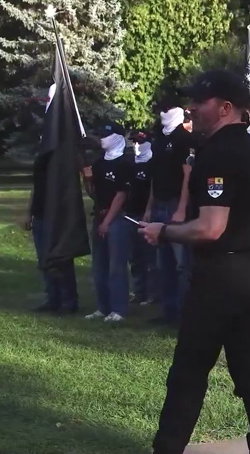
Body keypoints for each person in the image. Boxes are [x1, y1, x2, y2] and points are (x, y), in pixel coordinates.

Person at [138, 70, 250, 454]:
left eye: (198, 102)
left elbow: (210, 227)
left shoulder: (218, 153)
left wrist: (164, 231)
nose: (191, 109)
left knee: (187, 372)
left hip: (222, 277)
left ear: (225, 107)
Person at [25, 83, 79, 315]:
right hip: (40, 212)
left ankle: (68, 300)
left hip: (57, 210)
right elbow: (37, 185)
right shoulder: (43, 150)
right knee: (44, 259)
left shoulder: (64, 144)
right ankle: (52, 297)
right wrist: (29, 211)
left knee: (60, 256)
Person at [145, 99, 194, 325]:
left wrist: (182, 208)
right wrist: (149, 207)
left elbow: (188, 175)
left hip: (176, 204)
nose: (163, 112)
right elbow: (155, 176)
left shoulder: (185, 139)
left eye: (167, 108)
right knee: (163, 261)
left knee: (181, 263)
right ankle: (168, 311)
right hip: (160, 203)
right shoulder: (159, 139)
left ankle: (185, 313)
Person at [83, 122, 133, 323]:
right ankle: (102, 307)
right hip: (100, 215)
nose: (102, 138)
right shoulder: (99, 163)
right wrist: (87, 180)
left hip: (118, 218)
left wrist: (108, 221)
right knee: (99, 265)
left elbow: (121, 195)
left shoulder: (124, 163)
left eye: (106, 135)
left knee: (116, 265)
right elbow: (94, 194)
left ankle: (118, 309)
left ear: (118, 137)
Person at [127, 130, 159, 306]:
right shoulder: (131, 163)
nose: (137, 146)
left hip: (147, 214)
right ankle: (139, 292)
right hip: (131, 213)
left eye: (140, 142)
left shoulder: (153, 164)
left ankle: (153, 294)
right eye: (134, 142)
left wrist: (149, 209)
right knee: (135, 257)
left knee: (151, 258)